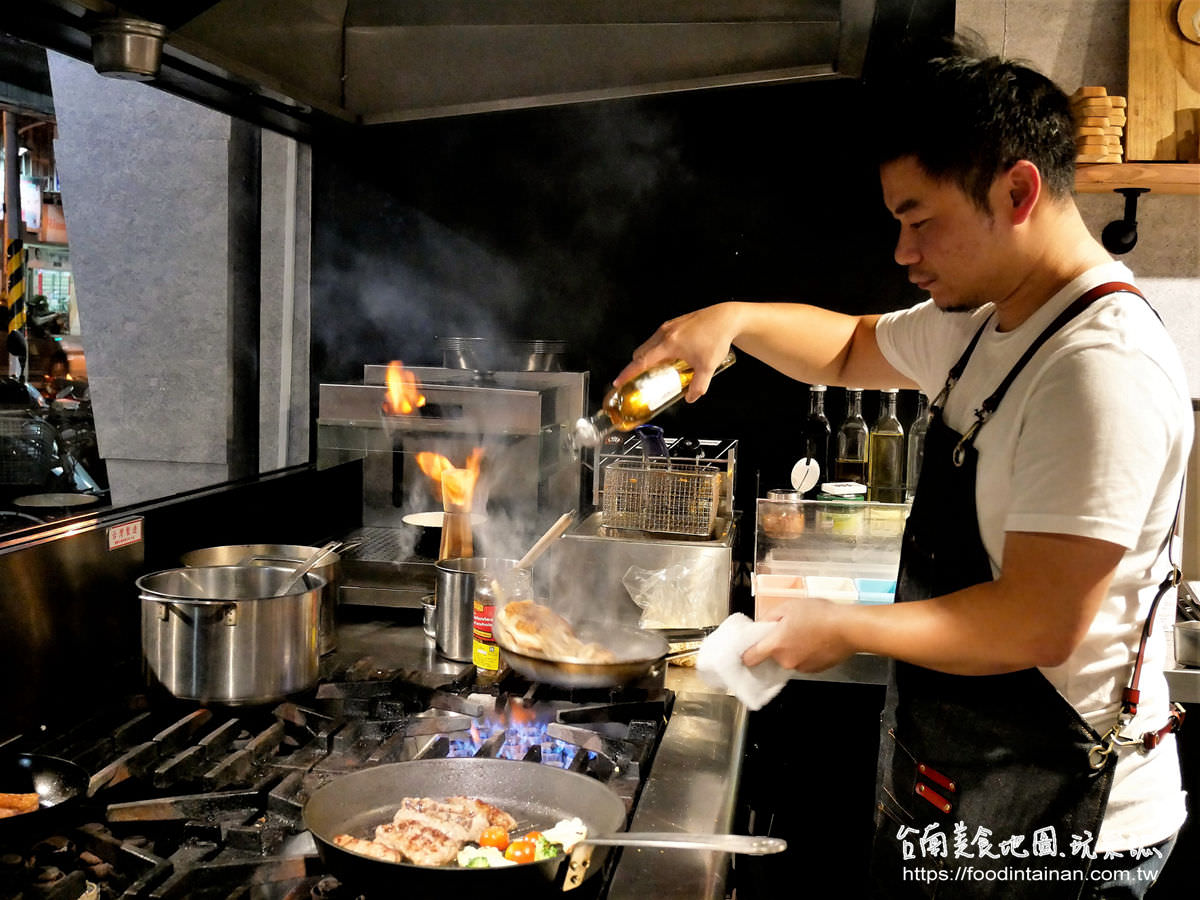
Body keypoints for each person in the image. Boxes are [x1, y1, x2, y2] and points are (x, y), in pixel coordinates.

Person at [618, 46, 1192, 898]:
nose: (901, 250)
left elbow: (1037, 621)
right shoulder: (989, 322)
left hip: (1064, 828)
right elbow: (851, 347)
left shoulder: (1098, 367)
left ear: (1018, 192)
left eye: (920, 221)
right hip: (965, 783)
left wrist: (846, 626)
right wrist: (728, 320)